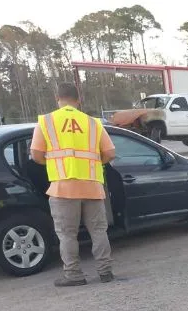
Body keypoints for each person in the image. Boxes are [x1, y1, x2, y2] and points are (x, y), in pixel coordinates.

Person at [31, 83, 116, 286]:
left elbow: (36, 155)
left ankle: (74, 275)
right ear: (78, 100)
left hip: (63, 187)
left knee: (67, 234)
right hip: (93, 186)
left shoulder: (47, 122)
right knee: (98, 231)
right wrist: (94, 163)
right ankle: (105, 272)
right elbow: (110, 153)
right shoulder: (93, 123)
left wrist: (52, 163)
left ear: (57, 98)